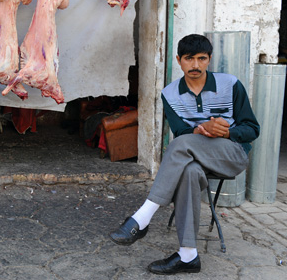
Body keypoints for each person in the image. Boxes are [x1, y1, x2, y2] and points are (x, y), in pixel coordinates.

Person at [109, 34, 260, 275]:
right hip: (193, 159)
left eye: (202, 58)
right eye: (189, 59)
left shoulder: (231, 84)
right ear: (179, 61)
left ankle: (142, 218)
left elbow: (252, 129)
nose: (196, 65)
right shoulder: (170, 94)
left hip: (231, 154)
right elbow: (180, 130)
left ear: (209, 59)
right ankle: (189, 255)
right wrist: (202, 129)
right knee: (188, 169)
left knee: (179, 145)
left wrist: (224, 132)